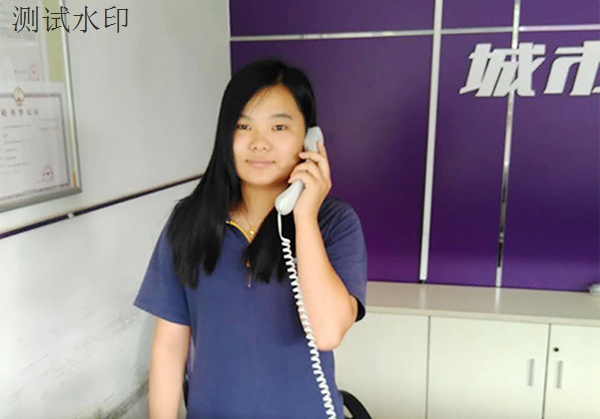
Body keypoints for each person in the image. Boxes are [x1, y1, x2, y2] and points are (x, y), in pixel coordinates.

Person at [134, 59, 368, 418]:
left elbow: (327, 333)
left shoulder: (335, 223)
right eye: (243, 126)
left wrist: (304, 217)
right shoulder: (189, 223)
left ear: (309, 138)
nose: (259, 143)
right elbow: (169, 345)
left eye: (279, 126)